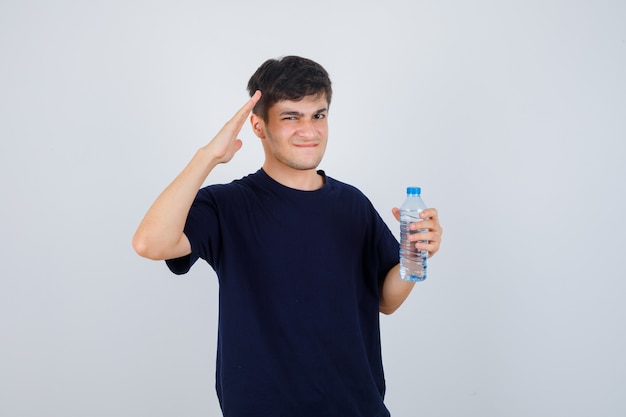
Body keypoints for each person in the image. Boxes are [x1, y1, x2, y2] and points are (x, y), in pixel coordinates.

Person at [133, 55, 443, 417]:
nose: (309, 131)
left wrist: (414, 253)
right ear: (258, 125)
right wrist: (208, 156)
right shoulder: (226, 205)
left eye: (319, 115)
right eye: (291, 117)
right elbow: (150, 243)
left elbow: (386, 301)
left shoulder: (352, 204)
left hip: (357, 408)